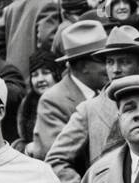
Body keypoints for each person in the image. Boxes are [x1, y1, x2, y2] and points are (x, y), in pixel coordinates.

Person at [45, 25, 139, 183]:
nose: (116, 69)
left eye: (124, 61)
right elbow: (56, 160)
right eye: (110, 62)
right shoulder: (90, 109)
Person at [33, 19, 107, 156]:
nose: (110, 67)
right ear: (83, 66)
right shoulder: (52, 101)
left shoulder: (105, 93)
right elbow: (56, 159)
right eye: (103, 60)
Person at [18, 44, 63, 152]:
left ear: (56, 75)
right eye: (35, 75)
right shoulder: (27, 103)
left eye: (45, 73)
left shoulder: (65, 100)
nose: (40, 79)